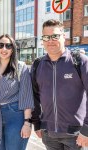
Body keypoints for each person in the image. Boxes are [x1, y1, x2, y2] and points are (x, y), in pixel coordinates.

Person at [31, 19, 88, 150]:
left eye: (55, 36)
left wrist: (86, 130)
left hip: (76, 135)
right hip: (49, 135)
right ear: (42, 40)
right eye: (46, 37)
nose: (50, 40)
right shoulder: (38, 64)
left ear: (63, 37)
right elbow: (34, 96)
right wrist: (37, 123)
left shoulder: (80, 61)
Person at [0, 34, 34, 150]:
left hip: (15, 116)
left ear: (13, 49)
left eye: (8, 46)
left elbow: (26, 97)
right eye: (1, 45)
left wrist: (27, 123)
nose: (4, 49)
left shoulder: (21, 67)